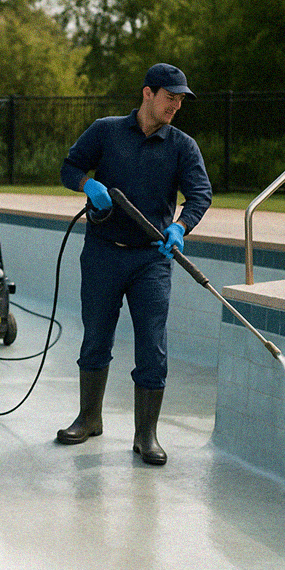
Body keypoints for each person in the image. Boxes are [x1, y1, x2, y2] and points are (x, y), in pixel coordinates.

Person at [56, 63, 212, 465]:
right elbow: (69, 167)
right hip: (103, 250)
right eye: (169, 97)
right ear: (147, 93)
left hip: (151, 259)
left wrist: (180, 228)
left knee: (152, 345)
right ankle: (89, 418)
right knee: (96, 336)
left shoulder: (182, 146)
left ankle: (146, 435)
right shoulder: (106, 131)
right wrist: (87, 184)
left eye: (180, 100)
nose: (176, 105)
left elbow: (199, 195)